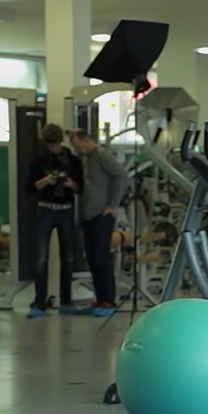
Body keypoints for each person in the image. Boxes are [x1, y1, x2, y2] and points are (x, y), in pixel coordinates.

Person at [70, 129, 131, 317]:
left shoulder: (103, 156)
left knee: (101, 259)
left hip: (102, 215)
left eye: (79, 146)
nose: (78, 150)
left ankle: (109, 301)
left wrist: (113, 205)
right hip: (88, 216)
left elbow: (121, 176)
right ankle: (100, 299)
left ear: (87, 140)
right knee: (92, 260)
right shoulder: (86, 159)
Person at [25, 124, 84, 318]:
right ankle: (39, 301)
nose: (52, 148)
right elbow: (29, 188)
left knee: (68, 258)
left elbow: (81, 188)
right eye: (49, 145)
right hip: (45, 209)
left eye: (55, 144)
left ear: (60, 141)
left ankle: (66, 300)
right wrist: (45, 181)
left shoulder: (73, 161)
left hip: (65, 210)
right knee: (40, 258)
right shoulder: (39, 161)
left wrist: (70, 183)